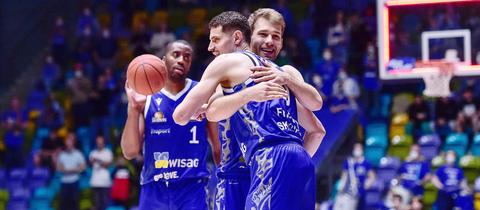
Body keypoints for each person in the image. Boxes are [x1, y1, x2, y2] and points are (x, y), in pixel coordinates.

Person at [173, 10, 323, 210]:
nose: (269, 41)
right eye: (263, 34)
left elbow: (186, 114)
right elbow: (317, 129)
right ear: (249, 35)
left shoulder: (277, 74)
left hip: (257, 167)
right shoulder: (270, 75)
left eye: (275, 36)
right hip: (259, 167)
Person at [121, 40, 220, 210]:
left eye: (187, 57)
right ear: (163, 60)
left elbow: (218, 147)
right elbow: (129, 152)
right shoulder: (146, 98)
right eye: (176, 55)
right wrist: (133, 109)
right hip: (155, 186)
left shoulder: (202, 94)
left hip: (193, 187)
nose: (181, 60)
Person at [335, 143, 375, 210]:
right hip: (350, 192)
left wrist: (367, 184)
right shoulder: (349, 162)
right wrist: (341, 188)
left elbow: (372, 176)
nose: (357, 150)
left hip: (361, 192)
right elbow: (344, 176)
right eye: (355, 148)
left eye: (358, 149)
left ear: (362, 150)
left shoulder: (366, 163)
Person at [57, 132, 86, 210]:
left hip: (74, 181)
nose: (68, 144)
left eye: (70, 142)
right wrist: (75, 169)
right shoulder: (62, 155)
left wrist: (68, 170)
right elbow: (59, 168)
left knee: (74, 202)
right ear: (65, 143)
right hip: (64, 182)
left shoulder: (78, 154)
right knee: (63, 203)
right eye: (67, 142)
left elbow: (83, 167)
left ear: (73, 143)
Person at [89, 134, 113, 210]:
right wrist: (96, 161)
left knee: (104, 205)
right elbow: (90, 163)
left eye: (101, 142)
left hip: (105, 182)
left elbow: (107, 164)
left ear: (104, 143)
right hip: (95, 182)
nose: (99, 144)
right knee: (96, 204)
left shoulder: (108, 152)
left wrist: (97, 160)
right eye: (98, 142)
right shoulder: (93, 153)